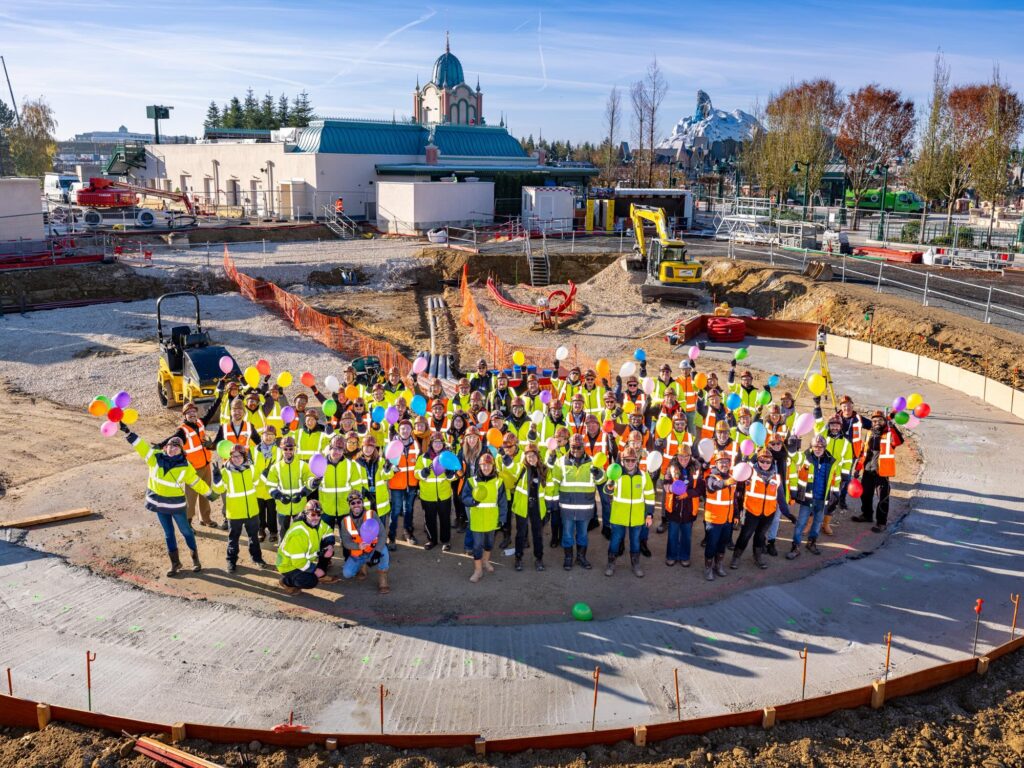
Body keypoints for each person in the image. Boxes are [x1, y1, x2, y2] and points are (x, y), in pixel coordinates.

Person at [120, 422, 213, 577]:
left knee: (186, 532)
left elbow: (196, 482)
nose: (172, 448)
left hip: (176, 506)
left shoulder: (185, 466)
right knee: (169, 534)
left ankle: (195, 560)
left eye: (176, 446)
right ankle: (175, 563)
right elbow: (142, 447)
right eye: (170, 445)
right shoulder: (154, 458)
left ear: (181, 450)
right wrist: (129, 433)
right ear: (165, 447)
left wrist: (210, 493)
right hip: (160, 505)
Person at [211, 443, 269, 572]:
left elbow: (258, 484)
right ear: (230, 457)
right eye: (234, 456)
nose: (236, 459)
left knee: (254, 537)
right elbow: (219, 489)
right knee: (233, 539)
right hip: (234, 513)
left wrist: (264, 475)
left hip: (251, 511)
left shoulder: (252, 469)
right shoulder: (225, 472)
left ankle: (257, 559)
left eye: (239, 456)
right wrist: (216, 480)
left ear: (244, 456)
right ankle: (231, 561)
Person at [551, 433, 604, 570]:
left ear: (584, 446)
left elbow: (601, 480)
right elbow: (555, 483)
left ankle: (581, 557)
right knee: (567, 535)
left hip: (585, 508)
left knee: (583, 535)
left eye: (579, 447)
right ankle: (568, 558)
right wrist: (554, 503)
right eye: (573, 447)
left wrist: (598, 474)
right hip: (567, 507)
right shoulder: (560, 462)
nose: (575, 450)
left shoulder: (593, 462)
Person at [161, 400, 216, 528]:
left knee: (206, 493)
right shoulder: (182, 431)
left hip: (206, 466)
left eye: (193, 411)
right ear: (185, 415)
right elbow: (171, 439)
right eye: (188, 412)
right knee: (191, 498)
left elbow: (212, 411)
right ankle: (188, 523)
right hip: (192, 470)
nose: (192, 414)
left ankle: (205, 519)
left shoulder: (201, 423)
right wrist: (159, 445)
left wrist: (219, 397)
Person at [603, 447, 655, 578]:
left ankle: (635, 564)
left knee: (635, 542)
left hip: (637, 517)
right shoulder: (616, 474)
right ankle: (611, 563)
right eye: (627, 460)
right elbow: (607, 491)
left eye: (633, 460)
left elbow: (650, 496)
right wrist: (609, 486)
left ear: (637, 461)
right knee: (615, 541)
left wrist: (649, 514)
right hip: (618, 516)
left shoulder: (644, 476)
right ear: (622, 461)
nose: (630, 463)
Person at [787, 435, 840, 559]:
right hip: (807, 499)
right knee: (801, 523)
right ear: (811, 447)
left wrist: (835, 494)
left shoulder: (832, 461)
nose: (818, 449)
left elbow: (836, 479)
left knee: (817, 523)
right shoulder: (805, 457)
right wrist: (792, 445)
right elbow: (793, 456)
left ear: (825, 447)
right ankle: (795, 546)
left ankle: (811, 543)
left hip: (822, 499)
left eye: (821, 446)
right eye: (815, 446)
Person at [851, 409, 904, 532]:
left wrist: (892, 427)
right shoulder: (869, 433)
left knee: (883, 498)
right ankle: (867, 515)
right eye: (874, 421)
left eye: (880, 420)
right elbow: (864, 452)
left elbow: (899, 441)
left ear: (884, 421)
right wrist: (858, 468)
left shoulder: (889, 434)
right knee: (865, 495)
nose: (877, 423)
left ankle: (881, 523)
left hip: (882, 472)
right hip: (868, 470)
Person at [461, 452, 508, 583]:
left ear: (493, 466)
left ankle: (485, 561)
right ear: (479, 466)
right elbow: (464, 498)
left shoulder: (498, 482)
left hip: (492, 519)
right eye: (483, 465)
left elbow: (503, 502)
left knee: (489, 543)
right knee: (477, 545)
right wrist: (473, 501)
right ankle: (478, 570)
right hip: (477, 519)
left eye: (489, 465)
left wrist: (502, 519)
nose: (486, 467)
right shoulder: (472, 481)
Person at [730, 448, 781, 570]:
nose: (765, 464)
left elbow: (781, 497)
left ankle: (757, 556)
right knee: (745, 535)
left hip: (768, 513)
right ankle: (736, 556)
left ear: (772, 462)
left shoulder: (777, 477)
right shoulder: (750, 473)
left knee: (760, 536)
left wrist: (787, 513)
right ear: (757, 460)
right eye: (762, 461)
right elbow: (738, 473)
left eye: (768, 462)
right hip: (751, 512)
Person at [276, 500, 338, 594]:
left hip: (304, 559)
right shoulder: (298, 533)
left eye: (318, 514)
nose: (316, 517)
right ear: (305, 514)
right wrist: (314, 570)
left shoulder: (318, 523)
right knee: (311, 581)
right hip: (288, 565)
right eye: (313, 514)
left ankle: (321, 575)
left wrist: (329, 545)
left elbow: (328, 531)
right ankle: (286, 582)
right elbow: (298, 561)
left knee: (328, 551)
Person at [340, 492, 391, 594]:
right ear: (349, 505)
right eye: (353, 503)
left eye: (359, 502)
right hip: (358, 553)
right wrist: (358, 546)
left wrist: (377, 552)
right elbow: (345, 542)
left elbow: (382, 534)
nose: (356, 505)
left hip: (373, 549)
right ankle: (363, 566)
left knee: (384, 551)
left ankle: (383, 580)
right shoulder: (345, 521)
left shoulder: (372, 514)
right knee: (347, 573)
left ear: (362, 503)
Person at [511, 443, 551, 571]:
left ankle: (539, 559)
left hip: (537, 507)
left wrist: (549, 508)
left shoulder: (544, 470)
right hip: (522, 506)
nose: (531, 458)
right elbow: (511, 468)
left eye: (533, 455)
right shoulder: (521, 468)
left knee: (537, 534)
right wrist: (505, 457)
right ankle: (518, 558)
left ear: (538, 456)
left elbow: (549, 490)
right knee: (520, 534)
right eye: (528, 456)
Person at [663, 445, 704, 567]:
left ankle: (684, 557)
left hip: (689, 509)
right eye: (681, 456)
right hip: (673, 508)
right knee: (672, 535)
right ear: (677, 456)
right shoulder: (671, 467)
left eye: (686, 457)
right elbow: (665, 483)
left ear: (690, 456)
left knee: (686, 536)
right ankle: (671, 556)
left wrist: (688, 493)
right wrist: (671, 488)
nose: (684, 459)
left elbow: (701, 488)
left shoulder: (697, 469)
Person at [266, 435, 313, 539]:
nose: (288, 451)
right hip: (282, 507)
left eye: (290, 449)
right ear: (281, 450)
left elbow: (310, 482)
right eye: (285, 449)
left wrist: (302, 493)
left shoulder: (303, 465)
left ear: (294, 449)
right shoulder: (275, 467)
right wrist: (279, 496)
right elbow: (270, 486)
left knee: (301, 534)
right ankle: (283, 548)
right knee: (283, 535)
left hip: (300, 506)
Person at [417, 432, 456, 551]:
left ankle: (445, 541)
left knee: (445, 519)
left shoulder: (448, 457)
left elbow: (455, 476)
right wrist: (422, 473)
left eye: (440, 442)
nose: (438, 444)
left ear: (443, 444)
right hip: (427, 495)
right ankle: (431, 540)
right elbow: (416, 473)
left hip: (444, 494)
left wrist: (451, 475)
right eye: (435, 442)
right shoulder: (423, 457)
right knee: (429, 519)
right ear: (431, 444)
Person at [703, 451, 738, 580]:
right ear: (716, 464)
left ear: (730, 463)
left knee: (722, 544)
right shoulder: (711, 477)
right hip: (714, 519)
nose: (724, 464)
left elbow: (733, 499)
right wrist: (726, 483)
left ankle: (718, 565)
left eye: (726, 461)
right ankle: (708, 568)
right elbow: (712, 487)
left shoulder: (732, 477)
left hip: (727, 519)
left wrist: (736, 515)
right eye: (721, 462)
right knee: (712, 545)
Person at [387, 418, 420, 546]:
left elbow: (419, 463)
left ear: (411, 430)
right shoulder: (393, 444)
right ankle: (392, 537)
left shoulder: (415, 444)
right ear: (399, 430)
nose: (405, 431)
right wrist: (390, 467)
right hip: (397, 484)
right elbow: (386, 462)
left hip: (411, 484)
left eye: (407, 428)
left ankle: (408, 533)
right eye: (402, 428)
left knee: (409, 510)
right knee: (395, 511)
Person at [250, 425, 281, 543]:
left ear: (275, 437)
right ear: (261, 436)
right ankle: (261, 530)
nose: (268, 437)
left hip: (272, 488)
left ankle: (273, 531)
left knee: (272, 512)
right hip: (257, 487)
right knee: (259, 511)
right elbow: (250, 469)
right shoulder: (253, 450)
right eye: (266, 434)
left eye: (271, 435)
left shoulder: (279, 451)